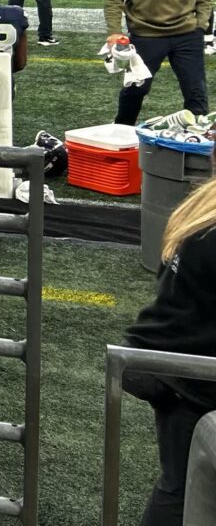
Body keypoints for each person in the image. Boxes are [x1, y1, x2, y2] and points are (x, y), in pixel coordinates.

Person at [124, 175, 216, 526]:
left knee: (181, 483)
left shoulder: (201, 206)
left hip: (160, 358)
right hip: (184, 374)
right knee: (182, 489)